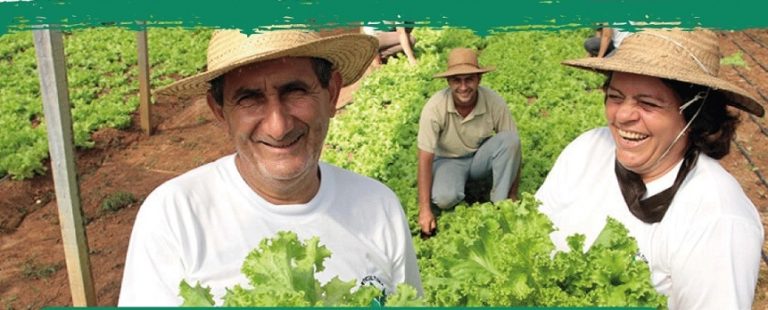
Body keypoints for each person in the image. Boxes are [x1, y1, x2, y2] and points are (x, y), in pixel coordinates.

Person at [118, 29, 423, 306]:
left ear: (331, 94)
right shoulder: (175, 216)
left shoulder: (379, 206)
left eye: (295, 91)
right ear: (219, 111)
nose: (278, 127)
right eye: (250, 99)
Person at [537, 29, 765, 309]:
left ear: (696, 113)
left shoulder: (717, 218)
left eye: (648, 103)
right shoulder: (586, 150)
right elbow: (535, 236)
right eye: (616, 96)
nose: (623, 115)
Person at [417, 47, 522, 237]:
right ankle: (462, 187)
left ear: (479, 79)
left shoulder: (494, 101)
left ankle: (500, 204)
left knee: (511, 139)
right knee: (444, 198)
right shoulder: (434, 107)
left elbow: (513, 147)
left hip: (479, 157)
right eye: (457, 80)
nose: (463, 87)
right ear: (448, 82)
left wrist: (513, 194)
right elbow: (425, 158)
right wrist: (424, 210)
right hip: (448, 161)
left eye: (469, 79)